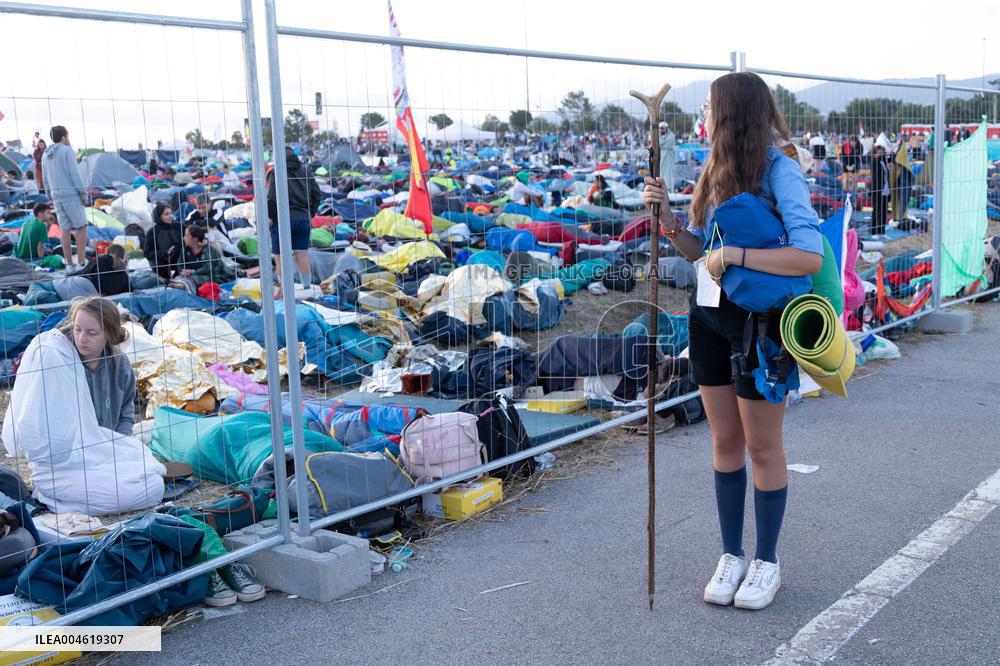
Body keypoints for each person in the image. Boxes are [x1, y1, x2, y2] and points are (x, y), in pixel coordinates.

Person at [643, 72, 823, 611]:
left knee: (762, 445)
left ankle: (767, 560)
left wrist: (737, 257)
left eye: (708, 105)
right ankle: (732, 554)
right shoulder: (712, 169)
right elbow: (702, 252)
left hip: (761, 326)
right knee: (724, 442)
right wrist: (669, 223)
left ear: (731, 112)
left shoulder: (780, 169)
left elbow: (808, 256)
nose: (701, 113)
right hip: (708, 319)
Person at [1, 297, 165, 514]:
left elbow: (127, 411)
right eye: (78, 329)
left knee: (152, 481)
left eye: (91, 333)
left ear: (109, 334)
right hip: (67, 460)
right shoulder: (58, 360)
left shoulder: (119, 363)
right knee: (132, 492)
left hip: (106, 450)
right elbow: (40, 427)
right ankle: (57, 498)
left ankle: (70, 498)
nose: (81, 338)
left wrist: (116, 448)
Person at [266, 146, 322, 289]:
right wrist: (310, 214)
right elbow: (317, 195)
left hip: (283, 219)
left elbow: (271, 198)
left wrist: (271, 216)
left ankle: (285, 290)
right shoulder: (306, 172)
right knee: (302, 255)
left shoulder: (276, 172)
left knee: (280, 258)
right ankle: (307, 287)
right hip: (303, 219)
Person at [42, 126, 89, 267]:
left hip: (56, 196)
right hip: (71, 195)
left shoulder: (45, 154)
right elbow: (74, 174)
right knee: (82, 226)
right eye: (67, 136)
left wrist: (48, 193)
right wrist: (83, 193)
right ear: (63, 137)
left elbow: (45, 177)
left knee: (65, 229)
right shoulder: (67, 151)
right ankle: (81, 262)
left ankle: (69, 264)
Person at [144, 203, 182, 280]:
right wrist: (164, 253)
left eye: (171, 213)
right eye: (166, 214)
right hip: (163, 265)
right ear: (159, 216)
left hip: (181, 262)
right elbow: (148, 253)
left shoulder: (180, 227)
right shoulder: (153, 232)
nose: (170, 216)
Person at [870, 145, 891, 237]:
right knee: (876, 211)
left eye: (882, 152)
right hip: (877, 190)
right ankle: (874, 232)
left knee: (884, 211)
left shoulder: (883, 161)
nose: (881, 154)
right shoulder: (875, 161)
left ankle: (882, 231)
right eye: (879, 152)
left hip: (885, 190)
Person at [658, 121, 677, 193]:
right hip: (661, 158)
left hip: (669, 158)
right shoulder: (657, 136)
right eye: (660, 128)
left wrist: (660, 144)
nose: (661, 130)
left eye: (662, 128)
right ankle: (661, 189)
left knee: (669, 174)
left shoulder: (671, 136)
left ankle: (669, 190)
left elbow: (665, 145)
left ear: (666, 128)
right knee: (661, 173)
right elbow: (659, 144)